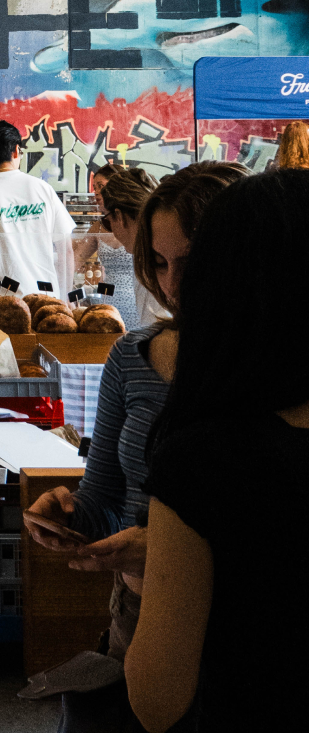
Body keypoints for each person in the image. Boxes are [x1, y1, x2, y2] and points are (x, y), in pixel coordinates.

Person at [23, 163, 246, 728]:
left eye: (191, 263)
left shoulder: (275, 377)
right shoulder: (132, 357)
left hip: (248, 624)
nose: (171, 285)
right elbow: (103, 499)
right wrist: (70, 514)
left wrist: (169, 550)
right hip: (137, 613)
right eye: (159, 264)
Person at [127, 169, 309, 732]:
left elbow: (157, 700)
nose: (173, 284)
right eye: (159, 264)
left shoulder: (207, 461)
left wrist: (162, 570)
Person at [0, 119, 76, 296]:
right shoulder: (42, 189)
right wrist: (66, 296)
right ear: (16, 150)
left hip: (4, 302)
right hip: (48, 299)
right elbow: (65, 250)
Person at [97, 166, 164, 328]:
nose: (110, 228)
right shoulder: (151, 253)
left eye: (108, 220)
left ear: (119, 216)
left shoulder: (157, 263)